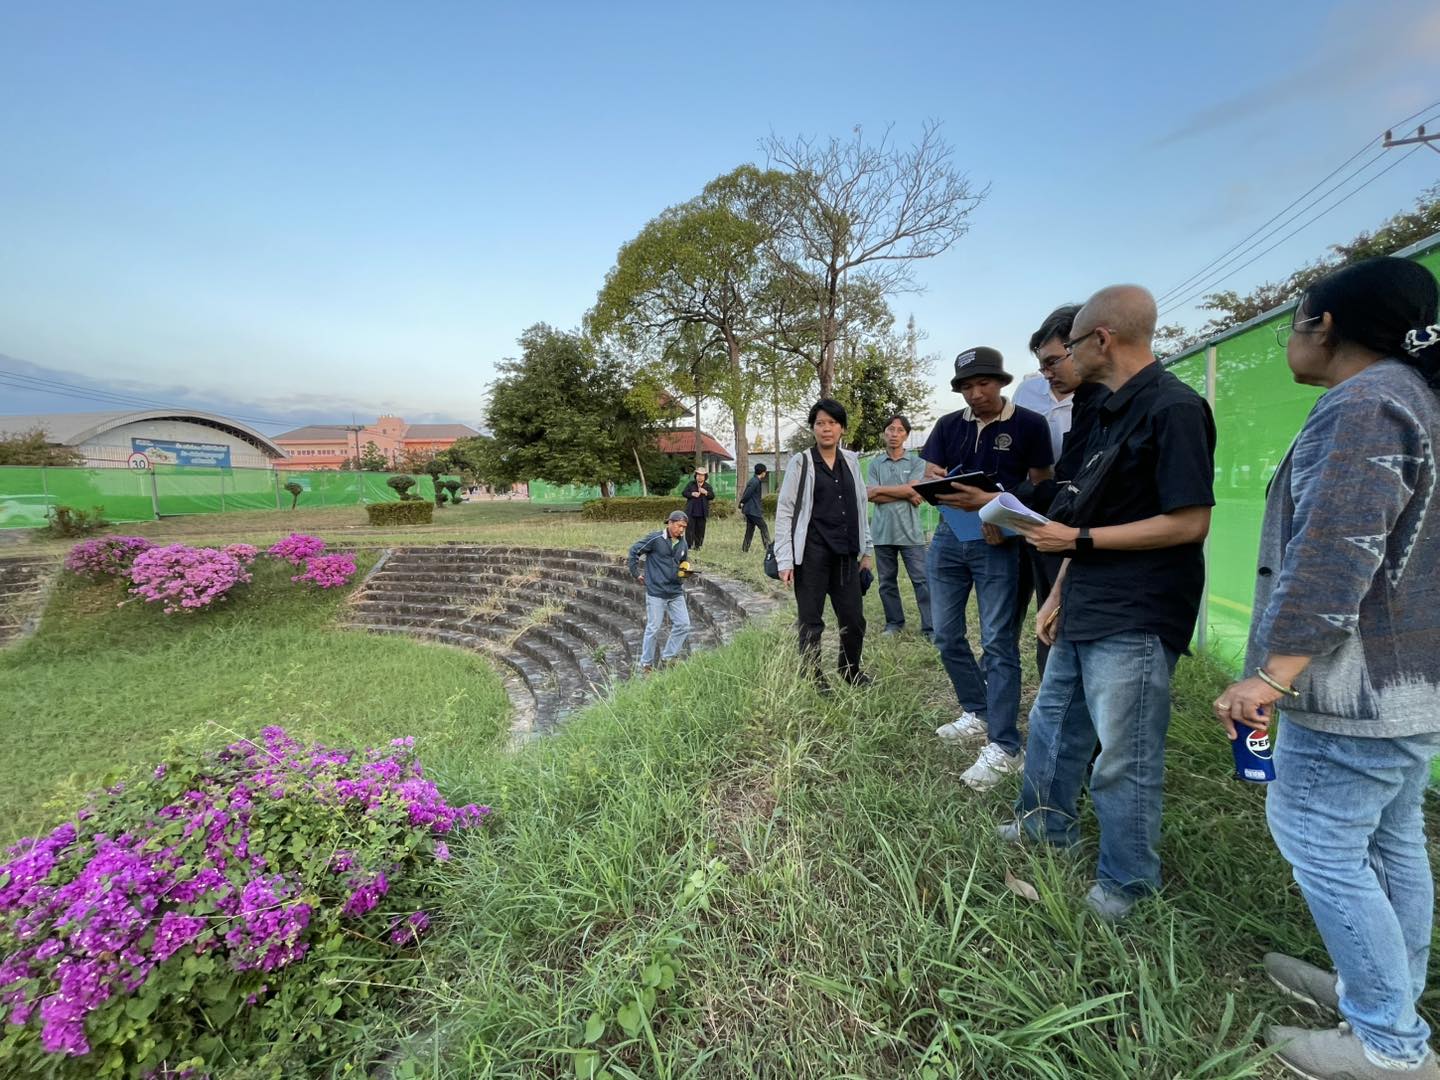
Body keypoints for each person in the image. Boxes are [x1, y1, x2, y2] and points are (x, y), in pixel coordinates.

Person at [1210, 257, 1440, 1079]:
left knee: (1319, 839)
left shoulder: (1365, 405)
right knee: (1390, 841)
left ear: (1326, 325)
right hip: (1412, 685)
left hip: (1355, 688)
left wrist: (1271, 678)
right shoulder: (1418, 400)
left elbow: (1335, 559)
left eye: (1294, 322)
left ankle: (1388, 1044)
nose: (1289, 341)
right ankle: (1379, 990)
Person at [1005, 284, 1215, 921]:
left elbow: (1189, 522)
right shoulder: (1105, 413)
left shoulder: (1175, 408)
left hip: (1141, 607)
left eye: (1066, 348)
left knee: (1125, 753)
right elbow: (1084, 512)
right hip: (1087, 596)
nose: (1059, 362)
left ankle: (1126, 883)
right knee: (1054, 723)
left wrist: (1080, 540)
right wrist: (1060, 588)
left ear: (1102, 340)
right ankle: (1044, 826)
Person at [922, 347, 1053, 791]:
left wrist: (998, 511)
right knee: (945, 633)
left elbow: (1042, 484)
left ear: (1000, 382)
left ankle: (1005, 746)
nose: (976, 394)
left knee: (998, 641)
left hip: (1000, 542)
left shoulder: (1029, 425)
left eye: (984, 384)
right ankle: (976, 711)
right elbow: (932, 473)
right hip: (948, 538)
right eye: (967, 387)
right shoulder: (947, 426)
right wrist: (934, 478)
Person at [774, 398, 874, 692]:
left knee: (854, 619)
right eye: (820, 423)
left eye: (832, 423)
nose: (826, 428)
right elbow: (786, 510)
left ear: (842, 428)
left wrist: (866, 550)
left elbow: (860, 505)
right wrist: (785, 560)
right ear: (813, 428)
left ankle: (849, 670)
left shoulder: (852, 461)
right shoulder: (801, 462)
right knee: (811, 621)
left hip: (845, 554)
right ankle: (814, 676)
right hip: (812, 555)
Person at [865, 413, 933, 638]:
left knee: (922, 581)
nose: (894, 434)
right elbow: (870, 495)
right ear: (884, 433)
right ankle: (894, 623)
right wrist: (905, 493)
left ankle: (930, 627)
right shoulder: (875, 464)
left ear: (906, 435)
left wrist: (885, 491)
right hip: (882, 532)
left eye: (900, 430)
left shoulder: (917, 462)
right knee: (886, 582)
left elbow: (914, 490)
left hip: (911, 533)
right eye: (890, 429)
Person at [627, 509, 692, 675]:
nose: (681, 530)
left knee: (684, 624)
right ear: (670, 523)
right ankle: (646, 664)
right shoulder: (655, 539)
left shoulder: (683, 543)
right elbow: (634, 550)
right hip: (656, 592)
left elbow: (682, 563)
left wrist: (684, 572)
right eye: (679, 526)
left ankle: (669, 657)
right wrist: (635, 573)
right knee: (653, 628)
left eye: (684, 527)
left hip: (675, 591)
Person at [738, 462, 771, 553]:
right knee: (763, 527)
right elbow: (747, 493)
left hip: (750, 510)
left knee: (750, 529)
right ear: (763, 472)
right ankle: (768, 548)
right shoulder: (755, 481)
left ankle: (745, 549)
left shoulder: (754, 480)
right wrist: (742, 502)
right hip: (753, 510)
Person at [681, 467, 715, 552]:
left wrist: (705, 492)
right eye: (698, 475)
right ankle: (688, 546)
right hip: (691, 511)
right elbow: (684, 493)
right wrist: (692, 494)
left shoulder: (707, 486)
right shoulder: (691, 484)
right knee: (689, 529)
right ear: (696, 476)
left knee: (700, 530)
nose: (700, 477)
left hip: (702, 512)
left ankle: (698, 546)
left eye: (702, 475)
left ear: (705, 477)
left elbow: (712, 496)